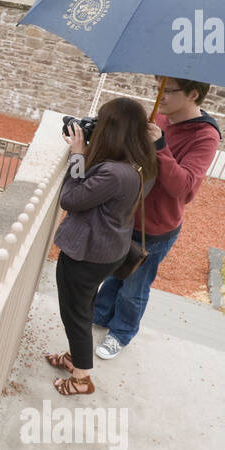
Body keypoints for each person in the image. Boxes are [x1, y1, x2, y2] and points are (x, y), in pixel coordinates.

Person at [93, 76, 222, 359]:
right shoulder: (161, 119)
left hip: (156, 227)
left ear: (193, 94)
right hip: (129, 214)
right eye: (158, 88)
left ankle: (121, 333)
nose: (160, 96)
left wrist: (160, 146)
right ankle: (100, 314)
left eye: (169, 91)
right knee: (117, 271)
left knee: (134, 286)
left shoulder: (205, 136)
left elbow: (184, 188)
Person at [46, 97, 158, 396]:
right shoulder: (139, 164)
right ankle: (74, 357)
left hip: (88, 254)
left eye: (101, 120)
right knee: (83, 307)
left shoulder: (114, 173)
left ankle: (82, 378)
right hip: (109, 250)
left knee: (75, 313)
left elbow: (71, 198)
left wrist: (78, 155)